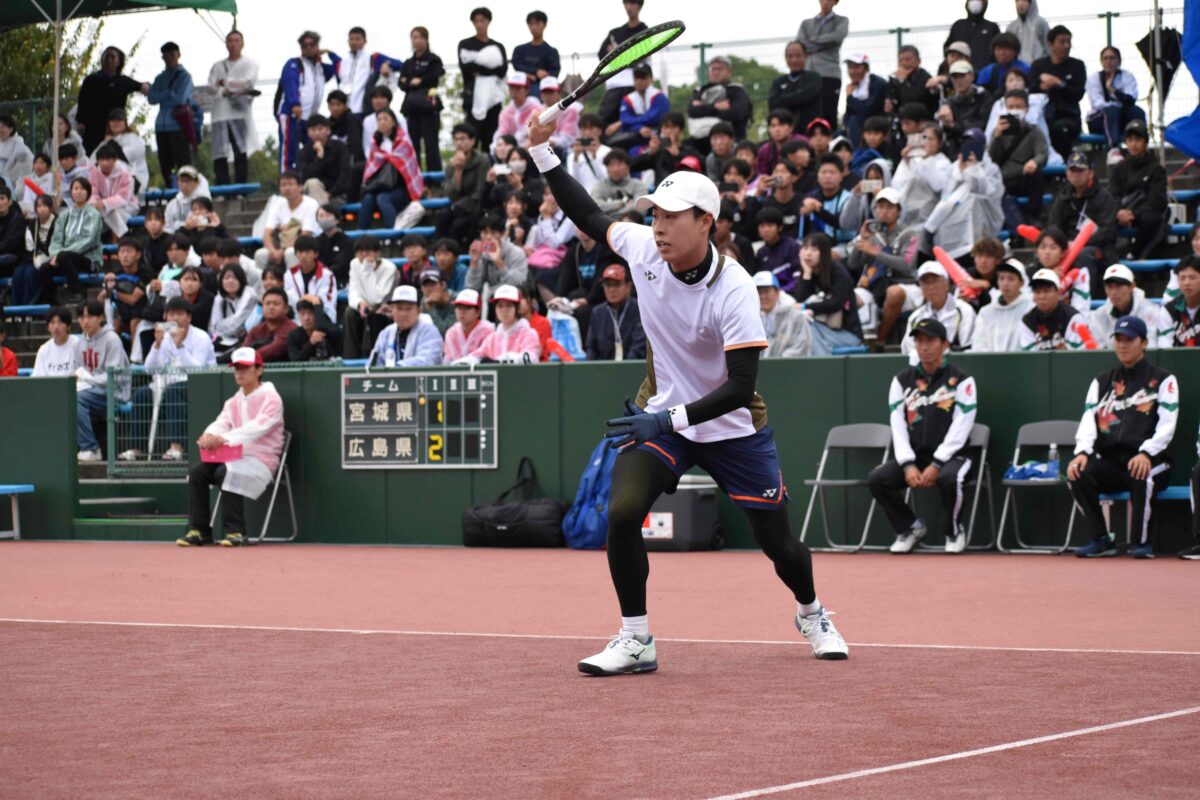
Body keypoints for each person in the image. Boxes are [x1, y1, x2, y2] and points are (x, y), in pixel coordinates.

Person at [528, 110, 849, 670]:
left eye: (671, 216)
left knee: (780, 546)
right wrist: (541, 151)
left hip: (730, 426)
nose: (657, 226)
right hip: (662, 416)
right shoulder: (642, 249)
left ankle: (812, 612)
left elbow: (741, 387)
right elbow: (588, 213)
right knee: (622, 512)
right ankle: (636, 639)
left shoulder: (735, 289)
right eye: (654, 214)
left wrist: (667, 419)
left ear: (706, 223)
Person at [1067, 316, 1179, 559]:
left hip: (1153, 459)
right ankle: (1100, 539)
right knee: (1077, 472)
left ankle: (1141, 542)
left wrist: (1146, 452)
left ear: (1144, 343)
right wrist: (1082, 452)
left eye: (1129, 339)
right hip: (1112, 461)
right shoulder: (1102, 382)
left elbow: (1167, 425)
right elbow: (1088, 421)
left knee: (1142, 472)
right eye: (1118, 339)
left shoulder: (1163, 379)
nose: (1123, 344)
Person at [871, 317, 979, 554]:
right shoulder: (901, 381)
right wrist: (907, 464)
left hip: (956, 456)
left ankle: (954, 531)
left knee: (951, 478)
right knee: (878, 478)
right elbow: (897, 425)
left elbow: (962, 425)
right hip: (916, 456)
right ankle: (910, 528)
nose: (924, 347)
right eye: (919, 341)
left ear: (944, 344)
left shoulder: (962, 379)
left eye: (930, 341)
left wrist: (938, 463)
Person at [179, 346, 285, 548]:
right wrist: (210, 434)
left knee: (225, 471)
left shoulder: (272, 399)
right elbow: (222, 421)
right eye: (237, 369)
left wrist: (223, 439)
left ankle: (236, 532)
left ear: (259, 370)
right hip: (235, 457)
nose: (240, 373)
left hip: (262, 461)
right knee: (197, 472)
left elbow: (257, 428)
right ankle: (199, 531)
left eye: (245, 368)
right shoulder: (234, 400)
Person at [121, 296, 217, 461]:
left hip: (198, 385)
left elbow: (197, 370)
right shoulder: (165, 338)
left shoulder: (201, 337)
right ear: (165, 317)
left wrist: (179, 346)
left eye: (180, 314)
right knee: (142, 394)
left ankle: (176, 447)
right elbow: (150, 368)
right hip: (167, 384)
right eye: (172, 314)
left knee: (173, 391)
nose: (175, 318)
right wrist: (157, 345)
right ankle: (137, 448)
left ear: (189, 317)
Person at [846, 187, 924, 342]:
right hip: (875, 285)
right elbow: (852, 264)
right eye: (880, 207)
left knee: (894, 293)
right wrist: (862, 239)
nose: (884, 211)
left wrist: (876, 253)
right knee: (852, 295)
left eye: (889, 207)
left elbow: (907, 265)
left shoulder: (911, 234)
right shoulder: (871, 234)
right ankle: (860, 340)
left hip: (905, 284)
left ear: (899, 210)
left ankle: (880, 340)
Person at [275, 31, 341, 172]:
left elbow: (339, 67)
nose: (309, 48)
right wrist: (295, 104)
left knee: (311, 150)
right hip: (293, 115)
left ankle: (307, 177)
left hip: (310, 118)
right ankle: (286, 178)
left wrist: (330, 53)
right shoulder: (294, 64)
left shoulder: (320, 68)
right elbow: (290, 84)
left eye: (312, 45)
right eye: (305, 45)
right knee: (289, 151)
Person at [75, 299, 130, 463]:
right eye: (81, 317)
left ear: (100, 317)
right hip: (91, 390)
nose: (85, 321)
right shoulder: (80, 343)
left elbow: (114, 376)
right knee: (67, 396)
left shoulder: (112, 339)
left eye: (90, 316)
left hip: (114, 392)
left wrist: (88, 379)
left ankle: (91, 448)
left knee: (77, 399)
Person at [1046, 150, 1118, 274]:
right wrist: (1063, 244)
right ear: (1067, 173)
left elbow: (1106, 232)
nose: (1076, 174)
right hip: (1066, 245)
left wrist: (1077, 244)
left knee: (1082, 255)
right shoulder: (1062, 197)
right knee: (1044, 254)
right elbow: (1054, 226)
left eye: (1080, 170)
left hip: (1096, 246)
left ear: (1090, 173)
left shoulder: (1105, 197)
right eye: (1072, 170)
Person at [793, 232, 861, 355]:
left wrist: (805, 307)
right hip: (821, 329)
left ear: (824, 253)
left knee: (806, 326)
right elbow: (800, 300)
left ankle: (821, 364)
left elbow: (836, 303)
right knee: (802, 325)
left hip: (846, 334)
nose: (808, 253)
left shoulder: (838, 272)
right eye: (805, 248)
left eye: (814, 249)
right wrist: (807, 274)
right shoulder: (809, 272)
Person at [989, 89, 1048, 230]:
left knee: (1038, 176)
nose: (1014, 110)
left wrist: (1034, 162)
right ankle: (1018, 228)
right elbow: (992, 158)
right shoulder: (997, 132)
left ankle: (1033, 216)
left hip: (1024, 176)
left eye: (1019, 106)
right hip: (1004, 179)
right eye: (1010, 106)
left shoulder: (1034, 131)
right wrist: (997, 137)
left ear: (1026, 108)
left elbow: (1043, 154)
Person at [1109, 120, 1168, 260]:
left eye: (1138, 140)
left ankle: (1135, 253)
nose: (1133, 144)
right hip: (1122, 213)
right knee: (1104, 217)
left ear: (1145, 142)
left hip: (1143, 214)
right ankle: (1107, 255)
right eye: (1130, 140)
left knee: (1152, 219)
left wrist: (1133, 214)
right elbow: (1112, 194)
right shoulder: (1118, 169)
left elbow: (1156, 200)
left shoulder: (1156, 169)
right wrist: (1119, 212)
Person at [360, 109, 426, 232]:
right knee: (368, 198)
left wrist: (390, 160)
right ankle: (361, 235)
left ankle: (393, 235)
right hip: (380, 186)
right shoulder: (375, 142)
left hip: (401, 188)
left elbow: (409, 167)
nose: (382, 122)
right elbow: (371, 168)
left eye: (385, 119)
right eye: (379, 120)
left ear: (393, 122)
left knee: (382, 198)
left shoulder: (403, 140)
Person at [207, 29, 259, 185]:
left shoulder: (250, 64)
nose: (233, 44)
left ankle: (240, 188)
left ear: (242, 44)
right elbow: (211, 87)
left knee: (240, 151)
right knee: (219, 154)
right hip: (220, 114)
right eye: (230, 41)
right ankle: (222, 187)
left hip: (239, 113)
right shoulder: (217, 66)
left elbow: (248, 83)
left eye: (236, 41)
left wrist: (226, 84)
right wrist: (231, 87)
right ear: (226, 44)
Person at [76, 46, 148, 155]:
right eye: (106, 56)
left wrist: (146, 86)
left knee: (114, 156)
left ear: (118, 62)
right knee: (92, 156)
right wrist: (80, 121)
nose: (109, 60)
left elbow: (141, 86)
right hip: (92, 128)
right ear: (102, 59)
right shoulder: (91, 80)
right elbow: (82, 102)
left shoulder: (123, 81)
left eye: (113, 57)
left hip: (114, 128)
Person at [1030, 25, 1088, 160]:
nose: (1066, 46)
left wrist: (1059, 83)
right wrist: (1042, 87)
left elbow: (1078, 94)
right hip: (1042, 115)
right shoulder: (1038, 66)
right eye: (1062, 42)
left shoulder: (1077, 65)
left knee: (1058, 130)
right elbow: (1031, 90)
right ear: (1051, 44)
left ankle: (1065, 163)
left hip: (1069, 117)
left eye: (1069, 42)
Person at [41, 177, 102, 304]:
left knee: (64, 257)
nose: (79, 192)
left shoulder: (93, 214)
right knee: (44, 268)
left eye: (82, 189)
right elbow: (56, 240)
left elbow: (88, 240)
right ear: (71, 192)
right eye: (76, 188)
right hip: (65, 260)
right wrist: (56, 255)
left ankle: (79, 291)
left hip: (88, 259)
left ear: (88, 192)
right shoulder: (64, 215)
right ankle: (51, 302)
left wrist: (61, 255)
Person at [900, 263, 977, 357]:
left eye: (935, 281)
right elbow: (909, 352)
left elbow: (969, 350)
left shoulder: (964, 311)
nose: (930, 287)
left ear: (947, 284)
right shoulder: (915, 318)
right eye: (925, 283)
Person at [458, 7, 509, 149]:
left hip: (493, 100)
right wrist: (490, 68)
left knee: (491, 139)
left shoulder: (498, 46)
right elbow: (466, 68)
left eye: (482, 21)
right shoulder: (465, 44)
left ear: (488, 21)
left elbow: (502, 70)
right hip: (472, 99)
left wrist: (479, 68)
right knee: (471, 138)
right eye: (476, 21)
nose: (479, 24)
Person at [341, 236, 398, 358]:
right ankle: (351, 357)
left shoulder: (389, 268)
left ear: (377, 253)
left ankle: (376, 357)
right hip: (363, 305)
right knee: (349, 313)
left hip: (384, 306)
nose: (364, 255)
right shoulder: (354, 264)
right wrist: (360, 303)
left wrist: (368, 269)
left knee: (376, 315)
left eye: (368, 251)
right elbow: (353, 291)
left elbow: (376, 298)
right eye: (360, 251)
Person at [146, 42, 195, 185]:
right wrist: (169, 93)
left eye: (172, 54)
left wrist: (162, 95)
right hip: (161, 126)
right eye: (166, 55)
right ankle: (170, 188)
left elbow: (180, 99)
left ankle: (187, 188)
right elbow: (151, 98)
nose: (169, 58)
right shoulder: (159, 78)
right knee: (165, 163)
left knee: (183, 162)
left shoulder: (185, 76)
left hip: (178, 125)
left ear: (178, 55)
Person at [398, 26, 445, 172]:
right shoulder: (408, 62)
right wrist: (412, 81)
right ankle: (415, 176)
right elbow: (402, 83)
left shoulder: (434, 59)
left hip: (428, 106)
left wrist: (418, 80)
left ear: (426, 39)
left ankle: (434, 179)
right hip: (411, 107)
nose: (417, 41)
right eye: (414, 37)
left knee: (431, 144)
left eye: (420, 37)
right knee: (413, 145)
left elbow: (434, 77)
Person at [1088, 264, 1169, 348]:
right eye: (1109, 287)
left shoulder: (1150, 311)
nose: (1114, 292)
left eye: (1119, 286)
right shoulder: (1099, 315)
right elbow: (1098, 349)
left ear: (1132, 286)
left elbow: (1150, 346)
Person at [456, 284, 540, 364]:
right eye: (500, 306)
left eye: (509, 305)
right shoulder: (492, 338)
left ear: (517, 308)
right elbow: (477, 356)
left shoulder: (529, 334)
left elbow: (531, 357)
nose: (504, 310)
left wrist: (506, 359)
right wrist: (463, 362)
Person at [796, 0, 849, 127]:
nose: (825, 2)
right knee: (808, 113)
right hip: (808, 73)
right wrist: (824, 43)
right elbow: (800, 44)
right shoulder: (806, 23)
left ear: (835, 2)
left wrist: (812, 41)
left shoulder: (842, 21)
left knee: (828, 113)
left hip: (829, 74)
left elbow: (836, 38)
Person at [595, 1, 648, 126]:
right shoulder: (615, 33)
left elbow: (641, 55)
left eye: (633, 3)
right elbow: (602, 55)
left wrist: (618, 54)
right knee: (602, 123)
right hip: (613, 85)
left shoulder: (645, 31)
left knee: (634, 122)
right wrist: (622, 55)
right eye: (626, 3)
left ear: (639, 5)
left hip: (635, 85)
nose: (629, 7)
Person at [255, 171, 320, 270]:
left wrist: (282, 251)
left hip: (305, 245)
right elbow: (267, 233)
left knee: (290, 252)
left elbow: (305, 234)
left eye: (290, 184)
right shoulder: (278, 205)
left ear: (300, 187)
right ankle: (265, 280)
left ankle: (293, 279)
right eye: (283, 185)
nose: (287, 188)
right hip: (279, 246)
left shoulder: (311, 204)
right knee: (260, 254)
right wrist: (273, 251)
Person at [892, 123, 954, 227]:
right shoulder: (913, 159)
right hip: (907, 212)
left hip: (928, 214)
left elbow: (939, 186)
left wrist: (927, 159)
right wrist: (907, 162)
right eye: (924, 138)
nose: (927, 142)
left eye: (931, 139)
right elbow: (896, 184)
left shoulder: (944, 163)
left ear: (940, 143)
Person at [1086, 46, 1145, 153]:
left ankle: (1140, 147)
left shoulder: (1127, 76)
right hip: (1099, 119)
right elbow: (1098, 104)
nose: (1109, 61)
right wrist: (1116, 105)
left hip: (1121, 117)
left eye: (1112, 58)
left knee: (1137, 111)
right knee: (1111, 111)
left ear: (1119, 61)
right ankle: (1113, 148)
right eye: (1105, 58)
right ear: (1101, 61)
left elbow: (1131, 99)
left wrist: (1113, 90)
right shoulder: (1094, 78)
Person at [1018, 268, 1094, 351]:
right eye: (1037, 292)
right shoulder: (1027, 320)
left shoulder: (1073, 317)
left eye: (1047, 291)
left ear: (1058, 293)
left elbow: (1077, 354)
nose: (1042, 296)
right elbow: (1030, 355)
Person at [368, 284, 444, 367]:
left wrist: (397, 368)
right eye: (399, 308)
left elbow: (428, 360)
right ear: (392, 309)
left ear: (418, 310)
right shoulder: (386, 334)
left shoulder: (429, 332)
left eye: (408, 309)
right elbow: (374, 363)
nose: (403, 314)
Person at [687, 55, 753, 143]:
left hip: (733, 141)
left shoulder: (737, 90)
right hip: (701, 142)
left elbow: (737, 114)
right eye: (713, 69)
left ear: (729, 72)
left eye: (720, 69)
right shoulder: (700, 91)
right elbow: (692, 111)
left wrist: (704, 108)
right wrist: (715, 106)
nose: (716, 72)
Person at [586, 263, 644, 361]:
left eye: (617, 285)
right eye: (608, 285)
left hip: (635, 367)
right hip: (604, 368)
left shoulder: (640, 309)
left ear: (628, 286)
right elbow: (591, 348)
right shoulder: (597, 312)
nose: (612, 290)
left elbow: (638, 348)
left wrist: (624, 369)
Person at [972, 258, 1032, 351]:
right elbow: (979, 344)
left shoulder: (1031, 308)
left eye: (1011, 279)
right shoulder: (986, 312)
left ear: (1022, 283)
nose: (1005, 283)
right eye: (1001, 278)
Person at [101, 235, 151, 337]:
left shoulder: (146, 273)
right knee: (115, 324)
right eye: (122, 252)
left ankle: (134, 348)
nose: (125, 255)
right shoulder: (115, 275)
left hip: (144, 318)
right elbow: (101, 299)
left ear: (138, 255)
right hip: (124, 317)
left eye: (129, 251)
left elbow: (133, 299)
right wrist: (107, 287)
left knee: (134, 323)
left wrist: (114, 292)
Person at [466, 214, 529, 294]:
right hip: (487, 297)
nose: (488, 237)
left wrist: (498, 262)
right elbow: (471, 288)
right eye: (485, 233)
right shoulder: (479, 253)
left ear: (503, 233)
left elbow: (518, 284)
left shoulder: (517, 253)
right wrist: (474, 262)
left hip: (509, 296)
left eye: (493, 233)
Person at [611, 63, 668, 152]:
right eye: (636, 77)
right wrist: (639, 128)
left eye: (642, 77)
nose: (639, 81)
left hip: (658, 136)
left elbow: (653, 118)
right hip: (636, 139)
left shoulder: (659, 96)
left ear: (651, 78)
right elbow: (625, 119)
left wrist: (627, 121)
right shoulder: (628, 99)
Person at [768, 42, 823, 135]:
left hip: (809, 133)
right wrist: (796, 98)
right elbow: (773, 103)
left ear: (806, 56)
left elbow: (805, 97)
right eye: (790, 56)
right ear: (786, 58)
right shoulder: (778, 82)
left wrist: (783, 99)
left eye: (798, 56)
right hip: (784, 135)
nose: (794, 60)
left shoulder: (814, 78)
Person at [297, 115, 352, 205]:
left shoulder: (340, 147)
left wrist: (330, 193)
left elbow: (345, 174)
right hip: (311, 194)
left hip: (336, 195)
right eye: (313, 130)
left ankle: (322, 211)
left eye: (320, 129)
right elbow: (305, 176)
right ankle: (323, 212)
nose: (317, 133)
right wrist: (319, 157)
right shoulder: (304, 152)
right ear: (308, 133)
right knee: (312, 183)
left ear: (328, 130)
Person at [753, 271, 811, 358]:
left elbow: (800, 347)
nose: (762, 296)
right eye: (758, 292)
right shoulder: (754, 318)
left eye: (766, 291)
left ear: (777, 293)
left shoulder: (796, 317)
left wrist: (777, 364)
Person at [92, 109, 149, 196]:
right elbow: (92, 163)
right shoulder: (104, 142)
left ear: (125, 122)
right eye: (113, 120)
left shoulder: (133, 138)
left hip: (134, 181)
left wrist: (111, 143)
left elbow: (124, 158)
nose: (116, 123)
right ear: (109, 123)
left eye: (119, 120)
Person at [86, 142, 137, 237]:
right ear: (98, 161)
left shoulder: (125, 174)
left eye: (108, 160)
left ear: (115, 160)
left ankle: (119, 239)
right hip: (100, 206)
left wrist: (104, 203)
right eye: (102, 160)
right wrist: (94, 203)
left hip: (127, 206)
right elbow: (93, 192)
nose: (105, 163)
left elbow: (123, 198)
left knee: (114, 213)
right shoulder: (94, 173)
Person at [937, 61, 992, 147]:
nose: (959, 80)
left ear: (972, 76)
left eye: (962, 76)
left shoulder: (983, 96)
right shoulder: (949, 102)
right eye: (955, 77)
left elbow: (980, 125)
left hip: (978, 143)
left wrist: (953, 125)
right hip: (955, 145)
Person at [209, 263, 258, 360]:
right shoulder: (219, 298)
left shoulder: (249, 295)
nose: (230, 281)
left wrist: (222, 325)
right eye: (227, 278)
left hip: (246, 341)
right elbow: (213, 327)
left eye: (235, 278)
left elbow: (236, 325)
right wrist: (228, 328)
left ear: (241, 279)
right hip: (225, 342)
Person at [283, 235, 337, 321]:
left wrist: (309, 300)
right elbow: (290, 301)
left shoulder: (327, 275)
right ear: (296, 254)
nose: (303, 256)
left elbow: (326, 303)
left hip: (322, 320)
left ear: (316, 254)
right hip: (297, 320)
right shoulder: (289, 275)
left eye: (307, 252)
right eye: (300, 252)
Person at [511, 11, 560, 100]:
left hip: (543, 90)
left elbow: (555, 72)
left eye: (537, 23)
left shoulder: (551, 52)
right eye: (531, 24)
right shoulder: (519, 50)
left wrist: (544, 75)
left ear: (544, 25)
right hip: (522, 88)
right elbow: (517, 65)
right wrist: (532, 74)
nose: (534, 27)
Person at [841, 53, 887, 148]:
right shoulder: (854, 86)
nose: (852, 71)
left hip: (877, 122)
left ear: (866, 68)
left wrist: (850, 97)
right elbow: (848, 113)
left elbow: (868, 109)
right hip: (859, 125)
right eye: (850, 67)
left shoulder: (878, 83)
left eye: (856, 67)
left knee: (854, 120)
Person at [241, 287, 298, 362]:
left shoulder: (291, 328)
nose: (271, 307)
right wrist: (244, 356)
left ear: (286, 308)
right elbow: (244, 351)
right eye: (267, 304)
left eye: (276, 304)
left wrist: (248, 357)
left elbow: (275, 349)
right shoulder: (256, 330)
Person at [945, 0, 1001, 73]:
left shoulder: (992, 27)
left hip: (985, 72)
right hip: (960, 72)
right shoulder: (958, 25)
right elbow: (948, 47)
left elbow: (998, 49)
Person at [495, 72, 544, 151]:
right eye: (511, 87)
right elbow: (503, 134)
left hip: (532, 149)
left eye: (518, 88)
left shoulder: (536, 108)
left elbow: (541, 132)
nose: (514, 91)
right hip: (511, 150)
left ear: (527, 90)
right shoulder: (505, 112)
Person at [442, 289, 494, 362]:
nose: (462, 312)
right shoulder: (451, 333)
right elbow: (447, 360)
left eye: (467, 308)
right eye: (459, 307)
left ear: (478, 312)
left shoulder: (488, 330)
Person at [887, 46, 938, 119]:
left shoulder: (926, 78)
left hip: (923, 118)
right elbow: (891, 101)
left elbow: (913, 99)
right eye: (900, 60)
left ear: (918, 61)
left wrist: (902, 81)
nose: (904, 63)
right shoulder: (894, 79)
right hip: (901, 118)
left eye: (908, 60)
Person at [976, 32, 1029, 98]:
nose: (1002, 53)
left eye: (1006, 49)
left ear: (1015, 51)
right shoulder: (987, 71)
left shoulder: (1026, 69)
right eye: (998, 49)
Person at [1162, 257, 1200, 348]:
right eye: (1182, 278)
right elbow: (1164, 347)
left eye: (1192, 277)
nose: (1186, 283)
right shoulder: (1168, 310)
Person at [31, 306, 79, 377]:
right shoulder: (44, 350)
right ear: (48, 327)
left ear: (68, 326)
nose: (56, 326)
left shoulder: (78, 345)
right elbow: (38, 377)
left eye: (60, 322)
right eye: (52, 323)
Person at [162, 165, 210, 233]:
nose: (184, 185)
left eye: (188, 181)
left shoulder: (203, 202)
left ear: (196, 182)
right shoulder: (172, 204)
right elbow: (167, 228)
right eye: (182, 181)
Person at [0, 115, 35, 194]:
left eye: (2, 127)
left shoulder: (20, 147)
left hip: (11, 186)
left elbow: (22, 171)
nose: (0, 130)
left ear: (11, 129)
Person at [1008, 0, 1049, 65]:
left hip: (1038, 67)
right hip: (1017, 68)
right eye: (1017, 1)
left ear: (1031, 3)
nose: (1020, 4)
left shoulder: (1041, 23)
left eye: (1024, 0)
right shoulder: (1012, 26)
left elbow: (1048, 48)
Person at [0, 185, 27, 281]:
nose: (0, 202)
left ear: (10, 202)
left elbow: (10, 245)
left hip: (14, 258)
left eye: (2, 198)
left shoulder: (17, 220)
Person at [418, 269, 457, 335]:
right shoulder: (425, 301)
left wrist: (430, 309)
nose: (428, 289)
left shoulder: (457, 301)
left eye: (432, 284)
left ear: (443, 285)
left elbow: (446, 333)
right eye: (425, 285)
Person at [18, 152, 54, 217]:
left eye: (42, 163)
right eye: (36, 163)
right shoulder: (29, 180)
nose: (38, 166)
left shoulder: (52, 179)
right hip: (28, 210)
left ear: (48, 167)